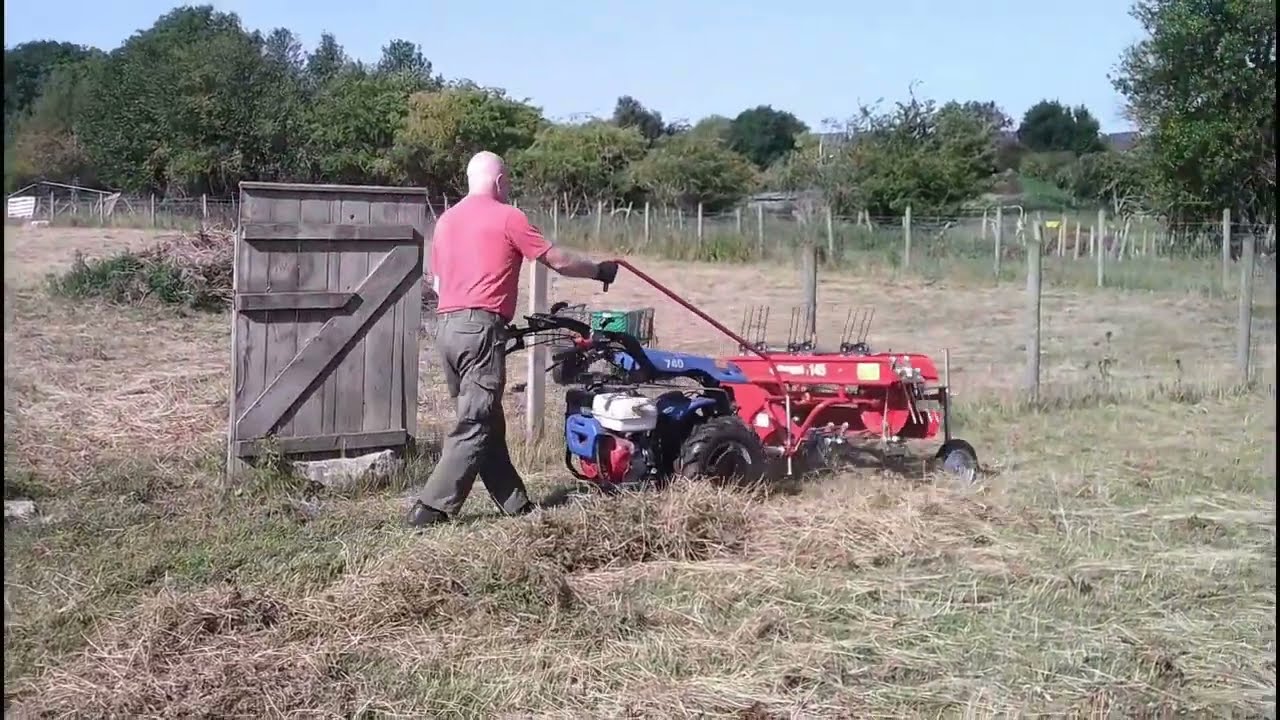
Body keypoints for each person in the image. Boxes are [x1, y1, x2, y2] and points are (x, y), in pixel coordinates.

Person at [407, 150, 618, 528]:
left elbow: (436, 280)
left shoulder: (446, 220)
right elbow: (556, 260)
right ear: (500, 181)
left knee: (486, 418)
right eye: (508, 183)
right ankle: (430, 508)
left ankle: (515, 504)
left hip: (446, 328)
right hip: (480, 328)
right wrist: (598, 269)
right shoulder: (508, 216)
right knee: (475, 422)